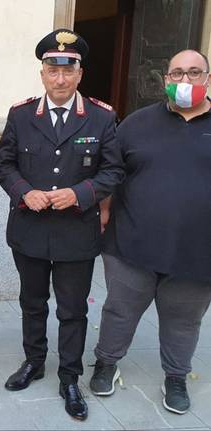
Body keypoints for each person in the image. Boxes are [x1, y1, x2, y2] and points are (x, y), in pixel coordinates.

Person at [0, 29, 123, 421]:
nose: (61, 79)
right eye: (53, 70)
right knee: (32, 303)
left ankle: (69, 376)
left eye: (69, 71)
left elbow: (114, 170)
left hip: (75, 232)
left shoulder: (101, 117)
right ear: (43, 73)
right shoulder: (21, 115)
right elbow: (4, 163)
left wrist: (81, 193)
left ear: (80, 74)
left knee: (71, 310)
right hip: (30, 228)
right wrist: (23, 192)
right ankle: (34, 362)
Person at [89, 49, 211, 415]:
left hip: (198, 251)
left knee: (183, 320)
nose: (185, 81)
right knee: (119, 311)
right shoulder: (136, 124)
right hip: (131, 243)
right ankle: (106, 363)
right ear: (166, 80)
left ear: (208, 78)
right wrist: (104, 210)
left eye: (194, 73)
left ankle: (176, 376)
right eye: (177, 74)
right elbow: (110, 171)